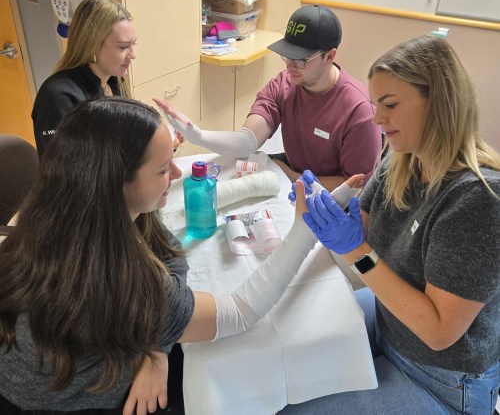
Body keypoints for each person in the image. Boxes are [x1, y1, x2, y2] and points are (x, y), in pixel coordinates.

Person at [0, 97, 362, 413]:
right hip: (57, 403)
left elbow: (166, 249)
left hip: (41, 370)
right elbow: (240, 312)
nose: (175, 174)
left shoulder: (62, 210)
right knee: (224, 377)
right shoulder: (115, 280)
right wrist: (303, 229)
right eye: (162, 169)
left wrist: (157, 339)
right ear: (117, 182)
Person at [281, 35, 500, 414]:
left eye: (391, 105)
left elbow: (438, 332)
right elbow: (360, 235)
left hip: (440, 375)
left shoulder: (478, 200)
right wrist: (329, 208)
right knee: (283, 362)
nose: (376, 118)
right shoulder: (401, 160)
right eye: (374, 104)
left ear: (439, 102)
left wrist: (355, 251)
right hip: (390, 324)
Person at [154, 4, 382, 192]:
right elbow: (246, 143)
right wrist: (198, 135)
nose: (290, 65)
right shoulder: (284, 84)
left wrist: (294, 177)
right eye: (287, 55)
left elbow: (355, 186)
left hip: (331, 198)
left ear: (329, 56)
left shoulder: (358, 111)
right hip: (291, 175)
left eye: (301, 59)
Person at [31, 0, 135, 156]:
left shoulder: (114, 82)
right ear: (92, 45)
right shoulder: (57, 98)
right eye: (123, 47)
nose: (132, 55)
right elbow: (67, 171)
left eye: (133, 44)